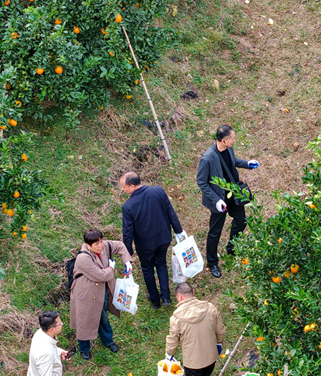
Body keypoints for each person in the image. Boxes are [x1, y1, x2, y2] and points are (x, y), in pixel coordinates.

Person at [196, 124, 259, 278]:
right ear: (223, 141)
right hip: (220, 200)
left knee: (241, 221)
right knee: (215, 232)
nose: (234, 140)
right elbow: (201, 182)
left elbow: (233, 161)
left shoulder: (228, 149)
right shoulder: (208, 158)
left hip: (234, 195)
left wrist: (247, 164)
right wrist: (216, 200)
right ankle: (212, 262)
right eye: (232, 138)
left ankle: (232, 248)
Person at [120, 171, 186, 309]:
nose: (122, 189)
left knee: (148, 269)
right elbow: (170, 212)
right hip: (163, 238)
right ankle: (166, 296)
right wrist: (178, 231)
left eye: (123, 186)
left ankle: (155, 299)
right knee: (161, 264)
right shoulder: (158, 191)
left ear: (132, 186)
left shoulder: (128, 206)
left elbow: (128, 232)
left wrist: (128, 252)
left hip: (145, 244)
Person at [165, 282, 225, 376]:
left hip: (193, 361)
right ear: (192, 292)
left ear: (179, 297)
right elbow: (220, 330)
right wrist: (219, 343)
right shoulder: (210, 308)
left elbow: (173, 339)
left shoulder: (177, 318)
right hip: (211, 355)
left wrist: (169, 354)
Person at [69, 228, 133, 360]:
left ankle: (108, 341)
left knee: (102, 316)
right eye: (96, 244)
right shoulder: (82, 258)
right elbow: (100, 275)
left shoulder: (103, 247)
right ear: (88, 245)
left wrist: (127, 261)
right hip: (85, 293)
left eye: (101, 241)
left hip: (100, 291)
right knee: (84, 320)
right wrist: (111, 268)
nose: (100, 246)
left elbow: (120, 245)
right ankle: (84, 348)